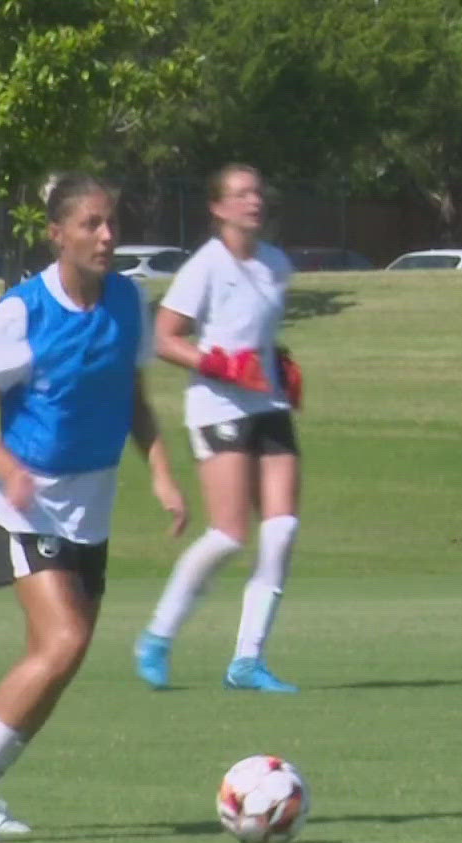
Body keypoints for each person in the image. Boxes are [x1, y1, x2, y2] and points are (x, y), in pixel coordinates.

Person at [0, 173, 187, 843]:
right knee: (65, 640)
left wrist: (160, 469)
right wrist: (9, 468)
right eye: (92, 224)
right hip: (25, 509)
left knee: (61, 658)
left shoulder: (131, 302)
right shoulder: (23, 312)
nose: (107, 236)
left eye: (113, 223)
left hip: (91, 508)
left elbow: (131, 396)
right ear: (57, 233)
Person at [133, 164, 303, 693]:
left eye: (257, 191)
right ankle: (158, 636)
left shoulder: (276, 263)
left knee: (282, 530)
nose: (253, 201)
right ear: (218, 207)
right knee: (229, 536)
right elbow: (164, 337)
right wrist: (220, 365)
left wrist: (280, 363)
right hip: (218, 408)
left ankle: (247, 660)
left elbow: (256, 331)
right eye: (240, 194)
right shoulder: (205, 266)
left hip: (268, 404)